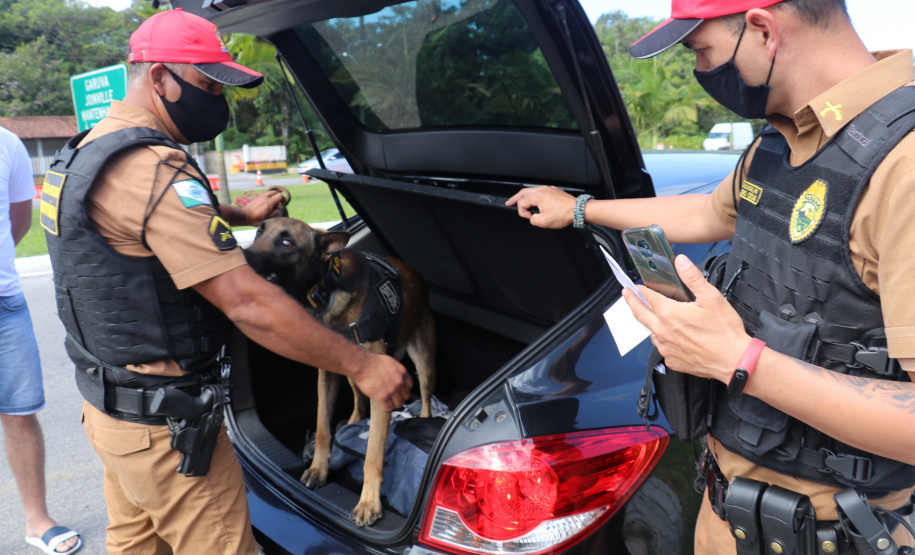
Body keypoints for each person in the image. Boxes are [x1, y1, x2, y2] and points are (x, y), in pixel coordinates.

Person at [507, 0, 915, 553]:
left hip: (835, 536)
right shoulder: (780, 138)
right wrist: (579, 210)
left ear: (764, 30)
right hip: (727, 513)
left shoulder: (904, 165)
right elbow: (710, 214)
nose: (701, 74)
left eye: (701, 51)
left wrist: (739, 360)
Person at [41, 9, 412, 555]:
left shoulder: (85, 152)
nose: (219, 100)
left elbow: (136, 224)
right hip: (168, 433)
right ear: (160, 78)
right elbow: (246, 301)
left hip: (110, 412)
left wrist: (237, 213)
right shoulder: (153, 168)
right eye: (209, 85)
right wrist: (364, 365)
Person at [0, 129, 81, 555]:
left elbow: (19, 218)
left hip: (4, 303)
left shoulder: (7, 143)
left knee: (20, 414)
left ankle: (37, 520)